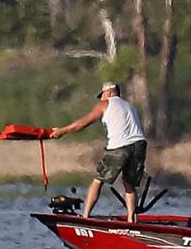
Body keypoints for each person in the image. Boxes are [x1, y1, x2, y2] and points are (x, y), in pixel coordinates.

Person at [49, 81, 147, 222]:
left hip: (119, 147)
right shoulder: (130, 107)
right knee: (129, 183)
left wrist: (62, 131)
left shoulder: (106, 104)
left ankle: (85, 216)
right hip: (140, 145)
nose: (101, 98)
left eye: (102, 94)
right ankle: (132, 219)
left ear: (111, 92)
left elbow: (83, 123)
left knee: (98, 180)